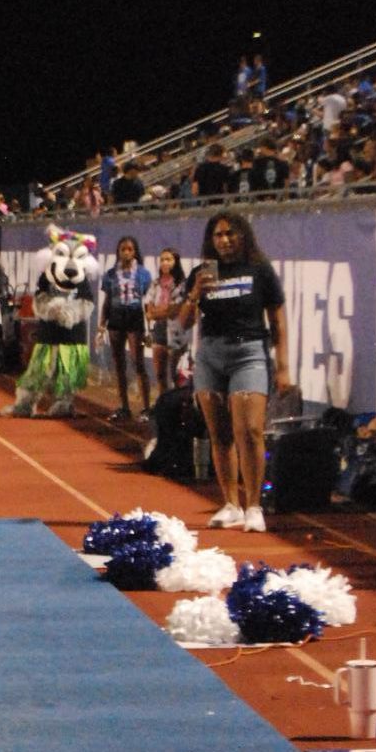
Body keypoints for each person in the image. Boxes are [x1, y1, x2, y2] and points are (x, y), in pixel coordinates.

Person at [177, 211, 290, 533]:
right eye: (218, 235)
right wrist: (195, 292)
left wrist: (282, 368)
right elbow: (183, 323)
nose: (224, 240)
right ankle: (231, 504)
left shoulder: (260, 270)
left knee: (250, 430)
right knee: (220, 434)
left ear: (243, 236)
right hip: (211, 354)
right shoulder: (201, 273)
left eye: (230, 234)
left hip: (249, 352)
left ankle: (254, 505)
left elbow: (278, 319)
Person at [98, 235, 152, 421]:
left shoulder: (144, 274)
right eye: (123, 249)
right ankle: (124, 406)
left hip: (135, 316)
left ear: (135, 251)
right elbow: (106, 302)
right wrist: (101, 324)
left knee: (138, 362)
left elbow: (148, 301)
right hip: (116, 317)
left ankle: (146, 408)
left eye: (130, 249)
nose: (126, 253)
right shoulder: (111, 274)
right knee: (119, 363)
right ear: (118, 252)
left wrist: (149, 327)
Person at [144, 247, 189, 396]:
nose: (165, 263)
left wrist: (159, 311)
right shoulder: (156, 283)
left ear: (176, 262)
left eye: (168, 259)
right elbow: (149, 311)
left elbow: (174, 310)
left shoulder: (182, 284)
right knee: (160, 375)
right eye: (162, 259)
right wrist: (159, 312)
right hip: (159, 331)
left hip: (176, 331)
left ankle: (179, 410)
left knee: (175, 375)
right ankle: (164, 407)